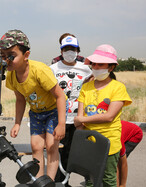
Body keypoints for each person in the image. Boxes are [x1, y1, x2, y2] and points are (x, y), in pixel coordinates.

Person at [0, 29, 67, 180]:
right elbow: (20, 99)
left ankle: (49, 182)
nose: (6, 60)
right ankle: (39, 181)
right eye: (3, 56)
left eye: (11, 56)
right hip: (37, 113)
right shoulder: (11, 76)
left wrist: (62, 123)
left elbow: (60, 96)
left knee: (51, 146)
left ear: (26, 55)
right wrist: (17, 123)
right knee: (36, 146)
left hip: (53, 112)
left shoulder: (39, 71)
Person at [74, 44, 132, 187]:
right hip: (89, 142)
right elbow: (79, 120)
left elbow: (109, 116)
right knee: (89, 179)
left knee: (108, 180)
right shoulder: (86, 87)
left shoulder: (118, 88)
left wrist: (82, 120)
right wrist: (81, 138)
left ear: (111, 67)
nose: (96, 67)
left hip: (109, 143)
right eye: (94, 64)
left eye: (100, 64)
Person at [50, 33, 92, 186]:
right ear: (61, 51)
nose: (69, 52)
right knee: (59, 155)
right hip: (59, 120)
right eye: (66, 49)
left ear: (78, 50)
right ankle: (61, 183)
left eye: (73, 48)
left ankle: (88, 182)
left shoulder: (86, 69)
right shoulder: (52, 69)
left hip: (79, 120)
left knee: (78, 154)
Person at [117, 121, 143, 187]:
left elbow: (123, 163)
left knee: (116, 163)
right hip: (123, 130)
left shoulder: (117, 141)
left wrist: (122, 185)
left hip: (135, 134)